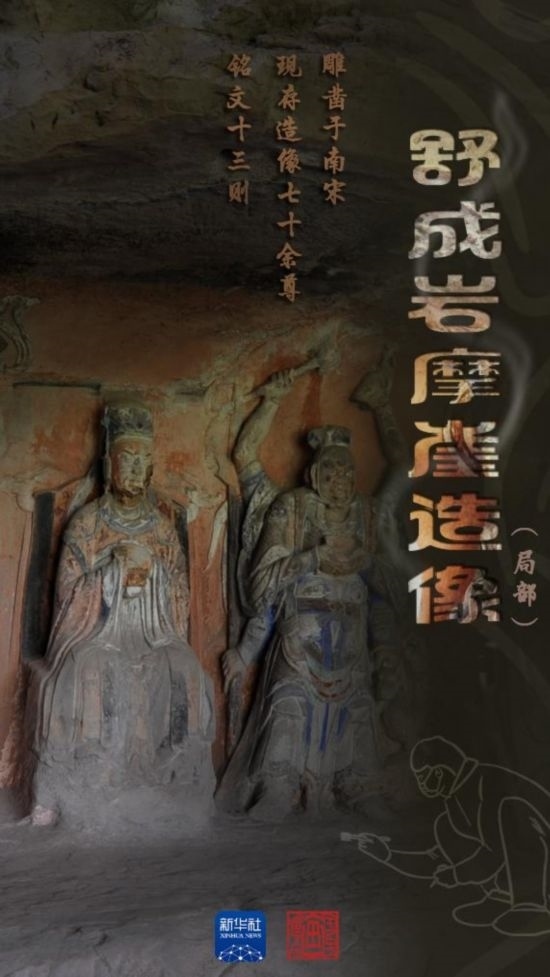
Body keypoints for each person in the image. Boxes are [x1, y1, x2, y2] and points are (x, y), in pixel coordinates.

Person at [28, 403, 214, 824]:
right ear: (108, 464)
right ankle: (95, 773)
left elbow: (181, 595)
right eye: (126, 458)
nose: (135, 467)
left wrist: (153, 575)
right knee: (95, 666)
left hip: (153, 631)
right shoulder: (88, 523)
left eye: (143, 460)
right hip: (96, 632)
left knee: (183, 666)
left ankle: (175, 774)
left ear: (152, 468)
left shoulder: (162, 528)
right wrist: (113, 571)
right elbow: (67, 594)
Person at [217, 426, 381, 819]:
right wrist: (311, 559)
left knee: (357, 709)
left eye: (347, 473)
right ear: (312, 474)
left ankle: (357, 784)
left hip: (352, 638)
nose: (339, 481)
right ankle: (278, 783)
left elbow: (387, 590)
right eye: (330, 472)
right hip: (298, 635)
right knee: (288, 703)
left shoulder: (367, 514)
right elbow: (262, 588)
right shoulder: (289, 509)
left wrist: (388, 642)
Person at [342, 736, 550, 937]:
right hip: (513, 860)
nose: (421, 784)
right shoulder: (454, 805)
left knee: (509, 809)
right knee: (445, 827)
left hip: (541, 857)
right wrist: (388, 854)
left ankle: (531, 903)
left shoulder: (488, 784)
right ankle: (501, 896)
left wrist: (457, 875)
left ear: (440, 772)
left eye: (422, 777)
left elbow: (494, 853)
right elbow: (436, 858)